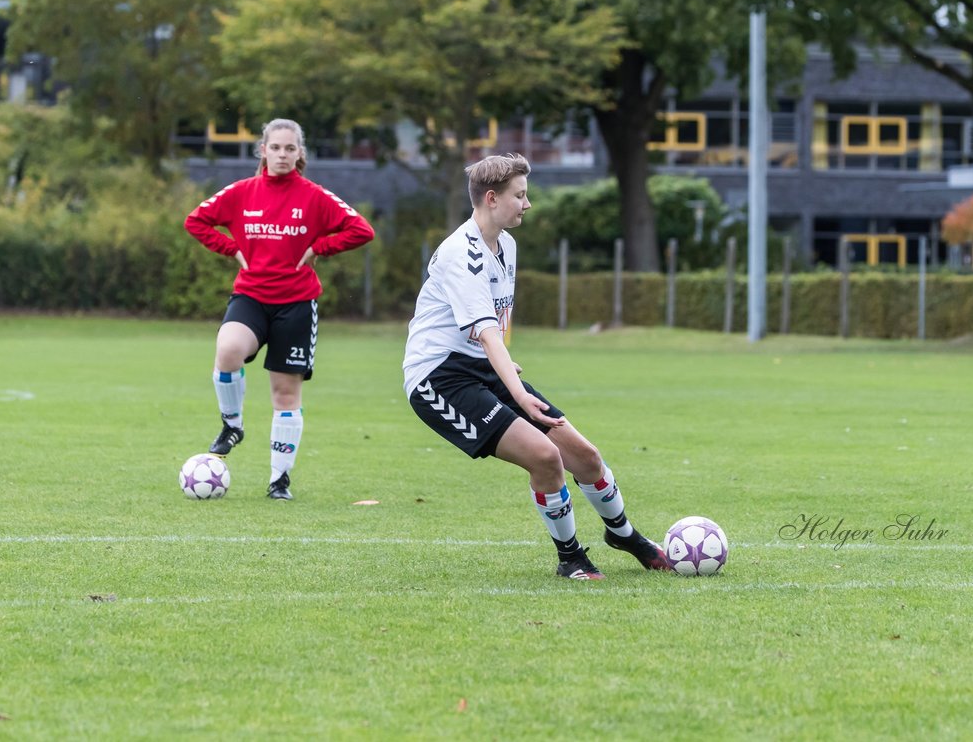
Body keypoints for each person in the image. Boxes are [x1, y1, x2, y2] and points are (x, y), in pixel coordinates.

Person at [402, 153, 670, 579]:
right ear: (492, 198)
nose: (527, 204)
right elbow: (488, 333)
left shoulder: (505, 244)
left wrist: (506, 368)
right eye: (520, 195)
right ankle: (570, 558)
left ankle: (625, 535)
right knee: (546, 457)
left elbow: (494, 328)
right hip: (439, 379)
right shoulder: (461, 254)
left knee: (585, 456)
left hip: (484, 368)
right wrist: (519, 392)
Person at [185, 118, 374, 499]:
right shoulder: (242, 193)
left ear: (299, 153)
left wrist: (319, 248)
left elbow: (361, 230)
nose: (283, 155)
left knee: (285, 396)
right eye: (276, 148)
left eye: (290, 149)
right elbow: (196, 221)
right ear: (263, 151)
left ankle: (279, 480)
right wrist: (231, 249)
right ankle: (232, 425)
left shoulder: (315, 196)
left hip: (296, 305)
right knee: (228, 351)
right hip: (251, 296)